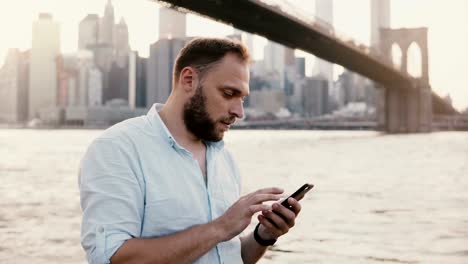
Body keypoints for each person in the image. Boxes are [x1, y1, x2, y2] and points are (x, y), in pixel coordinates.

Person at [79, 37, 302, 264]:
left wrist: (263, 236)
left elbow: (228, 255)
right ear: (189, 80)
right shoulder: (118, 149)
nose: (239, 111)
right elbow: (112, 258)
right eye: (228, 93)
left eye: (242, 98)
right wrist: (222, 227)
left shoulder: (225, 160)